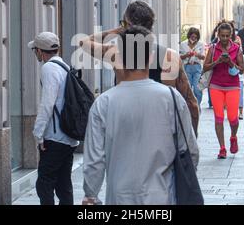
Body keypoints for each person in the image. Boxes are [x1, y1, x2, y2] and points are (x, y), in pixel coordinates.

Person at [82, 26, 199, 205]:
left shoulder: (103, 103)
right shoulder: (171, 98)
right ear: (151, 57)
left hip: (119, 198)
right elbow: (190, 150)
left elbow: (94, 160)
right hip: (163, 198)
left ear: (119, 57)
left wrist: (91, 195)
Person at [80, 1, 201, 137]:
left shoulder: (115, 54)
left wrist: (117, 30)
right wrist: (192, 138)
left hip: (127, 132)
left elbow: (84, 42)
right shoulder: (170, 57)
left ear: (127, 26)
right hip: (163, 135)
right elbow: (191, 104)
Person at [28, 32, 79, 205]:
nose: (35, 53)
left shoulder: (49, 68)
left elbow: (47, 103)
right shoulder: (64, 66)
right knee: (64, 185)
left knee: (44, 183)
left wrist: (38, 133)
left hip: (56, 137)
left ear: (41, 51)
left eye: (35, 50)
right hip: (68, 137)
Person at [203, 23, 244, 159]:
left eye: (227, 35)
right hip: (216, 86)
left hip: (232, 86)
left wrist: (230, 63)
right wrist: (218, 62)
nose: (225, 38)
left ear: (231, 35)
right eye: (222, 36)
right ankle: (222, 148)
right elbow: (205, 67)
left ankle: (233, 137)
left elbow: (242, 69)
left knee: (233, 119)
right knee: (219, 118)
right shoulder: (213, 48)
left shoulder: (237, 49)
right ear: (218, 35)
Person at [180, 28, 206, 108]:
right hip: (187, 67)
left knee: (197, 89)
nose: (193, 38)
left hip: (197, 67)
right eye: (192, 37)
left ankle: (197, 106)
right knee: (188, 88)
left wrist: (197, 54)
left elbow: (203, 57)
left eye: (195, 37)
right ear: (189, 36)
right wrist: (187, 55)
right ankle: (189, 106)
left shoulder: (200, 44)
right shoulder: (183, 44)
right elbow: (180, 56)